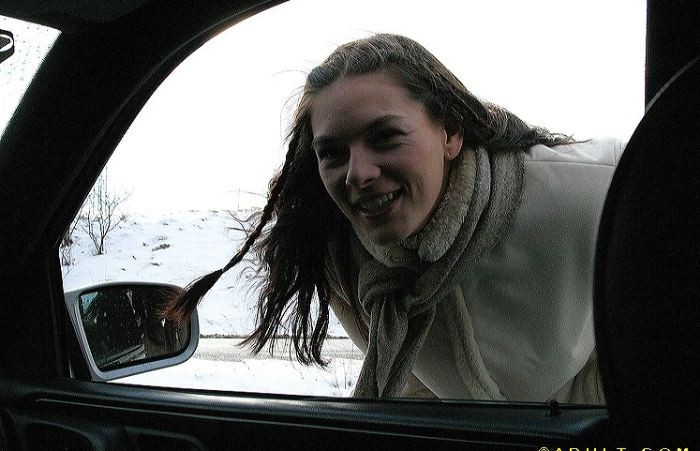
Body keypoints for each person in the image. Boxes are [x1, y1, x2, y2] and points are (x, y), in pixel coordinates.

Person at [165, 33, 624, 402]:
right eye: (332, 153)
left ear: (450, 132)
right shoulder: (347, 261)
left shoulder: (593, 191)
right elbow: (416, 396)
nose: (357, 174)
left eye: (385, 137)